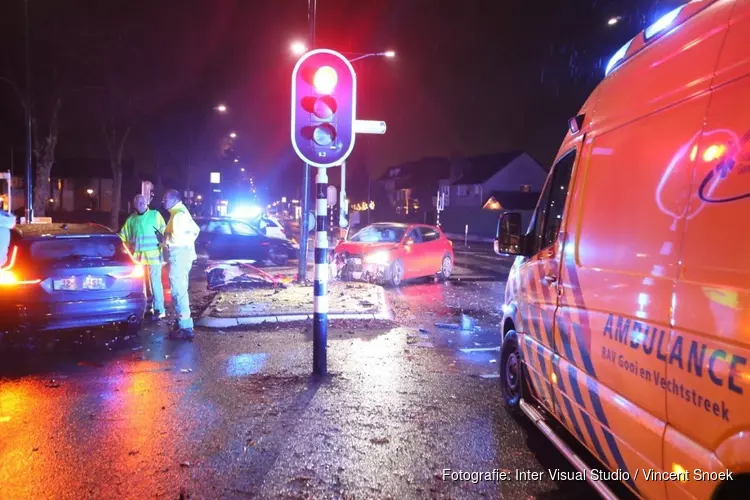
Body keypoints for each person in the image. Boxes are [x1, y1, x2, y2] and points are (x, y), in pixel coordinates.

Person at [119, 194, 167, 319]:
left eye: (143, 202)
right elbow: (122, 237)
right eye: (138, 202)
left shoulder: (155, 215)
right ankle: (147, 307)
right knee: (143, 284)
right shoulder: (131, 220)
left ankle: (159, 309)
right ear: (134, 205)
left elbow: (165, 234)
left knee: (155, 283)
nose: (141, 204)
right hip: (138, 258)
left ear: (147, 203)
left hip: (154, 256)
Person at [162, 189, 200, 340]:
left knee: (178, 291)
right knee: (179, 290)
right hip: (182, 256)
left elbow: (176, 238)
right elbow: (195, 230)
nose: (163, 201)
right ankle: (182, 323)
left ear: (173, 199)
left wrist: (164, 239)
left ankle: (185, 327)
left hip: (179, 256)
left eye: (165, 198)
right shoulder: (180, 213)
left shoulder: (178, 215)